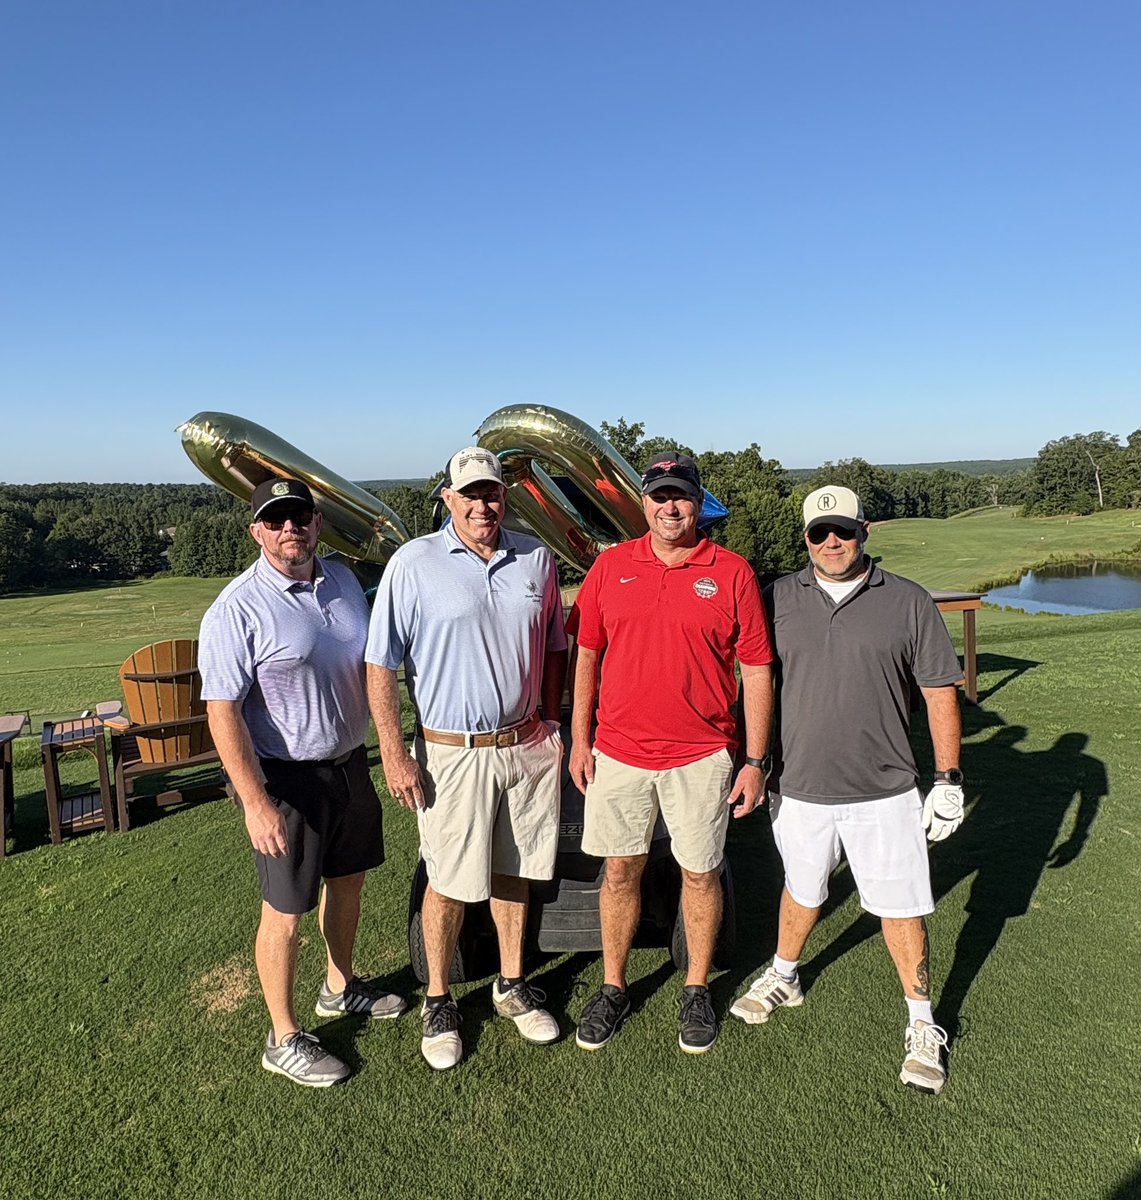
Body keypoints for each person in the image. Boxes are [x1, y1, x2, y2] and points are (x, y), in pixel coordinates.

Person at [730, 484, 966, 1095]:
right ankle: (786, 973)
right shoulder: (775, 597)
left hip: (885, 790)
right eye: (818, 533)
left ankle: (921, 1020)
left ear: (866, 532)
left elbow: (941, 690)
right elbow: (751, 679)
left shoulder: (909, 601)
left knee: (901, 907)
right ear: (804, 538)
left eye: (843, 530)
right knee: (802, 889)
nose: (831, 542)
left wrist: (948, 778)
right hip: (799, 786)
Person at [366, 446, 567, 1071]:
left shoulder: (536, 557)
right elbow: (381, 664)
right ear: (448, 500)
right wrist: (396, 754)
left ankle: (511, 985)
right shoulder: (413, 563)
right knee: (448, 879)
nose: (484, 504)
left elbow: (556, 644)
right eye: (471, 494)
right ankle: (439, 998)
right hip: (451, 753)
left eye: (493, 492)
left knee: (515, 870)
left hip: (526, 745)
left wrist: (554, 720)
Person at [199, 477, 404, 1089]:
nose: (291, 528)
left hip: (349, 765)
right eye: (277, 519)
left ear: (317, 524)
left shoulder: (341, 581)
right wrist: (255, 803)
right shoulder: (237, 608)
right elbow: (222, 711)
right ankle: (282, 1036)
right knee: (285, 912)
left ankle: (340, 986)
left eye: (301, 517)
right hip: (287, 781)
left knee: (348, 885)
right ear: (257, 530)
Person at [568, 451, 774, 1054]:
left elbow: (756, 667)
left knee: (701, 873)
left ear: (697, 501)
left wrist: (755, 760)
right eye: (658, 495)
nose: (669, 506)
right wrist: (581, 739)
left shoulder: (731, 572)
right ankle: (613, 986)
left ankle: (696, 987)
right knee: (621, 871)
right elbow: (587, 655)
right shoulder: (611, 567)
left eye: (680, 495)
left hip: (704, 754)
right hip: (620, 752)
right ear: (644, 503)